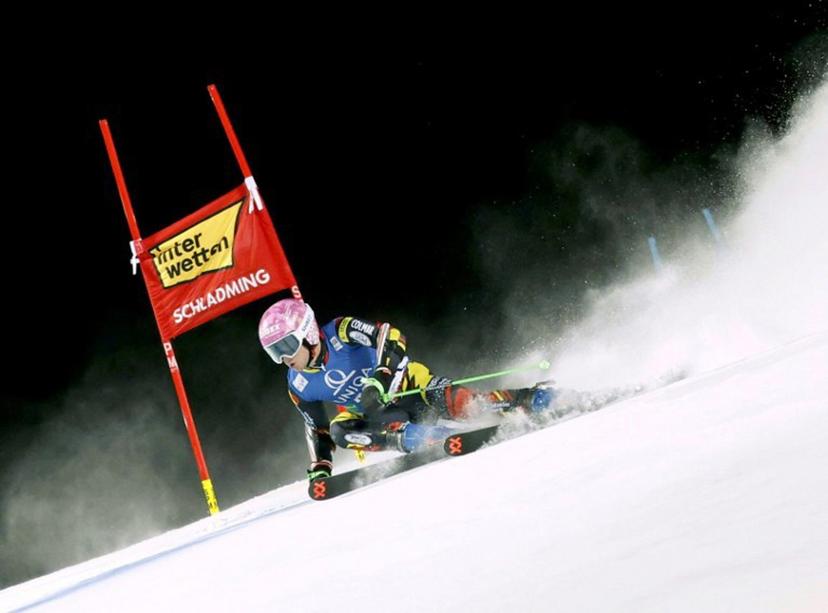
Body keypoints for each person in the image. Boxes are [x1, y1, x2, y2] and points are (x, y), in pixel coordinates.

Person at [259, 298, 555, 481]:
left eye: (286, 346)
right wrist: (321, 463)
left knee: (467, 406)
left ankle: (530, 397)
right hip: (376, 414)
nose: (284, 358)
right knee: (341, 430)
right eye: (275, 353)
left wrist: (381, 377)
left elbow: (391, 336)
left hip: (410, 387)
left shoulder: (340, 329)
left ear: (308, 333)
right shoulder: (297, 384)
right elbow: (317, 428)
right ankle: (427, 438)